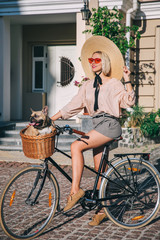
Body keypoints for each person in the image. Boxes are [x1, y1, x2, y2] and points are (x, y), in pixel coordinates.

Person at [51, 36, 135, 226]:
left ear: (103, 63)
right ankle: (101, 210)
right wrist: (52, 119)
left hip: (110, 125)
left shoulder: (114, 83)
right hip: (97, 125)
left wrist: (127, 79)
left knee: (75, 146)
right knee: (100, 171)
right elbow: (73, 105)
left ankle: (75, 191)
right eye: (91, 60)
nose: (93, 63)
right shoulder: (88, 85)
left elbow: (129, 101)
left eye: (97, 60)